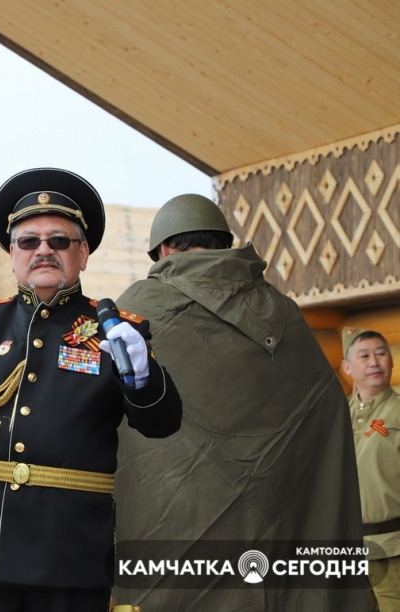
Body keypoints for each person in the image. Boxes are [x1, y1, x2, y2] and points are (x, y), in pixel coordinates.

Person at [0, 167, 183, 611]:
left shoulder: (116, 333)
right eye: (29, 241)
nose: (43, 250)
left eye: (59, 241)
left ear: (83, 254)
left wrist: (143, 375)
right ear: (12, 254)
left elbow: (162, 422)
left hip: (69, 557)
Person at [111, 193, 368, 610]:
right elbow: (327, 410)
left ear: (162, 250)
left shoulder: (137, 311)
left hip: (177, 560)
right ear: (224, 242)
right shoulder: (283, 311)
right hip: (280, 549)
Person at [343, 326, 400, 611]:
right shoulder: (337, 416)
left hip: (393, 545)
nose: (374, 362)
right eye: (364, 355)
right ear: (347, 366)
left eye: (381, 353)